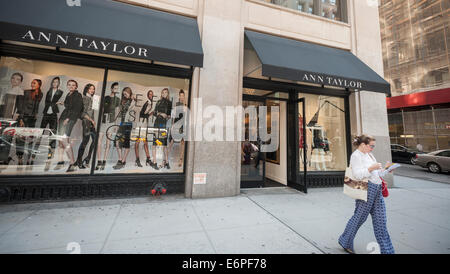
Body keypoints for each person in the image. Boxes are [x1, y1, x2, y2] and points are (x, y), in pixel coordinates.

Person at [338, 134, 395, 254]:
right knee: (359, 218)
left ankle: (388, 251)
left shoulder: (369, 154)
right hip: (366, 190)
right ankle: (345, 241)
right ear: (363, 145)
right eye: (371, 146)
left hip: (377, 189)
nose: (372, 148)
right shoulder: (356, 156)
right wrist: (371, 168)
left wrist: (386, 170)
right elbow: (358, 175)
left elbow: (377, 174)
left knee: (381, 221)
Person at [54, 80, 83, 172]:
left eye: (73, 85)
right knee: (60, 141)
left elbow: (77, 108)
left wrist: (68, 118)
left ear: (76, 86)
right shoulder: (69, 94)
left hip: (69, 118)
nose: (71, 86)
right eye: (69, 85)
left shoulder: (77, 95)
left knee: (64, 140)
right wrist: (63, 103)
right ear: (67, 86)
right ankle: (61, 161)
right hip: (63, 117)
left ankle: (72, 163)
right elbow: (69, 105)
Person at [33, 77, 64, 163]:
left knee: (52, 134)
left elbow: (62, 102)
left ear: (58, 83)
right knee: (41, 132)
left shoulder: (61, 92)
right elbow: (47, 102)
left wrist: (57, 103)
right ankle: (35, 151)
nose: (54, 83)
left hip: (54, 114)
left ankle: (50, 154)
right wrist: (54, 103)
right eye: (53, 82)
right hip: (46, 113)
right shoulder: (48, 91)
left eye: (56, 82)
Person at [15, 79, 43, 166]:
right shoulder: (26, 92)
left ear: (39, 85)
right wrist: (21, 119)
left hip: (32, 119)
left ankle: (29, 157)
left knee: (30, 139)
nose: (32, 84)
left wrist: (36, 114)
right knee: (20, 139)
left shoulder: (40, 94)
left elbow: (36, 106)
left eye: (34, 83)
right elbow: (20, 105)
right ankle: (20, 158)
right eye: (32, 82)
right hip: (24, 117)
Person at [95, 82, 120, 171]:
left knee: (108, 143)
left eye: (117, 89)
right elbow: (101, 110)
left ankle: (104, 161)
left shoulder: (117, 99)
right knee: (99, 141)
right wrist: (98, 121)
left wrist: (115, 125)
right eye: (115, 88)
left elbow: (117, 112)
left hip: (111, 121)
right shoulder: (105, 98)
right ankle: (99, 161)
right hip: (103, 121)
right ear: (112, 88)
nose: (116, 90)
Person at [113, 87, 136, 170]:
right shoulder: (122, 101)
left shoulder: (133, 101)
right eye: (123, 94)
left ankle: (123, 160)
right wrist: (116, 125)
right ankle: (120, 159)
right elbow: (119, 113)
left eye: (125, 93)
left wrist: (133, 100)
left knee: (126, 143)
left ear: (129, 93)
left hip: (128, 124)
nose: (124, 95)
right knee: (117, 141)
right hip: (122, 123)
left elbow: (134, 114)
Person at [75, 84, 96, 169]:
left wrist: (93, 121)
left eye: (93, 89)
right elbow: (82, 113)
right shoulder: (84, 98)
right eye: (90, 89)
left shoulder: (92, 99)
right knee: (85, 141)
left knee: (95, 140)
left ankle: (87, 159)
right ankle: (79, 161)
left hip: (91, 122)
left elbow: (93, 112)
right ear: (86, 89)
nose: (92, 90)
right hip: (86, 121)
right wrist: (91, 120)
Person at [152, 88, 172, 170]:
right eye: (163, 92)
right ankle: (154, 162)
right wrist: (161, 113)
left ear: (167, 94)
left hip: (163, 124)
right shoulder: (158, 102)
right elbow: (154, 113)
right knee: (155, 142)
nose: (164, 94)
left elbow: (169, 115)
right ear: (161, 93)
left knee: (164, 144)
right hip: (157, 123)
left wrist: (166, 116)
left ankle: (166, 162)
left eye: (166, 92)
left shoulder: (169, 103)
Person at [135, 89, 155, 168]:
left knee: (144, 142)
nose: (151, 95)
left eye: (152, 94)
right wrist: (151, 113)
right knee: (138, 141)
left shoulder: (150, 103)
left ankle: (148, 159)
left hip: (144, 123)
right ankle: (138, 159)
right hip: (141, 123)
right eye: (150, 94)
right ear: (148, 95)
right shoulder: (148, 103)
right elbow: (142, 113)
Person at [168, 89, 186, 168]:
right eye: (180, 95)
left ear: (184, 96)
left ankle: (180, 160)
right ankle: (166, 158)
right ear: (179, 96)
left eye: (183, 96)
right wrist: (172, 126)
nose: (182, 97)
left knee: (182, 142)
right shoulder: (176, 105)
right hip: (176, 125)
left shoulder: (186, 106)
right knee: (171, 141)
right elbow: (173, 117)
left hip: (183, 125)